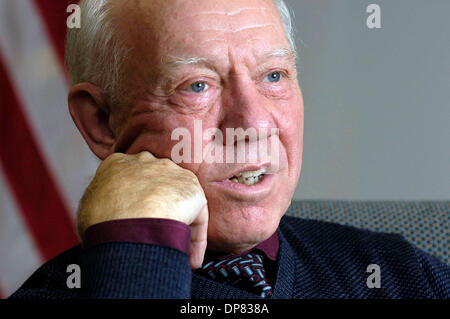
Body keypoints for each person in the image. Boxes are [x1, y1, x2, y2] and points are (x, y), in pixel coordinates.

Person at [10, 0, 449, 299]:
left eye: (273, 76)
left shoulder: (399, 273)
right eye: (197, 85)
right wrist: (136, 257)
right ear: (102, 122)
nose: (254, 124)